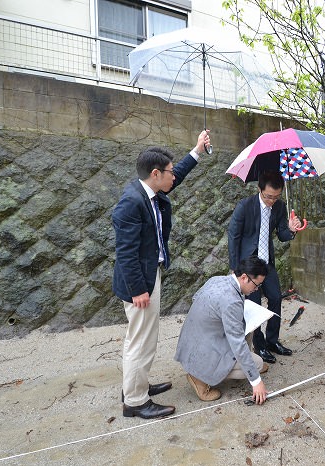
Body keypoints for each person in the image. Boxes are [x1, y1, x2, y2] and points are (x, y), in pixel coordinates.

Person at [112, 130, 210, 419]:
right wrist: (139, 289)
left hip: (147, 273)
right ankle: (135, 401)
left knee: (141, 337)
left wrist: (196, 151)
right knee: (142, 340)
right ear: (155, 174)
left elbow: (177, 172)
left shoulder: (150, 191)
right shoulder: (131, 203)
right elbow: (125, 252)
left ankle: (136, 386)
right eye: (168, 173)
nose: (173, 177)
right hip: (139, 281)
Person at [228, 170, 302, 364]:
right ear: (260, 189)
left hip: (267, 263)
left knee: (276, 298)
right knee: (253, 305)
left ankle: (272, 341)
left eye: (276, 197)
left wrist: (292, 230)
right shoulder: (245, 206)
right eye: (268, 197)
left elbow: (282, 235)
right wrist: (235, 268)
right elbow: (233, 236)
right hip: (248, 266)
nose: (271, 201)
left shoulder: (279, 207)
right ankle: (259, 346)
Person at [174, 256, 270, 404]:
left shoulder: (217, 279)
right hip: (203, 352)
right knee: (256, 363)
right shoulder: (231, 301)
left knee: (246, 327)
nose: (257, 289)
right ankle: (199, 378)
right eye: (257, 285)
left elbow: (196, 298)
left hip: (193, 340)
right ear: (244, 277)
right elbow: (237, 343)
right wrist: (256, 382)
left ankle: (244, 364)